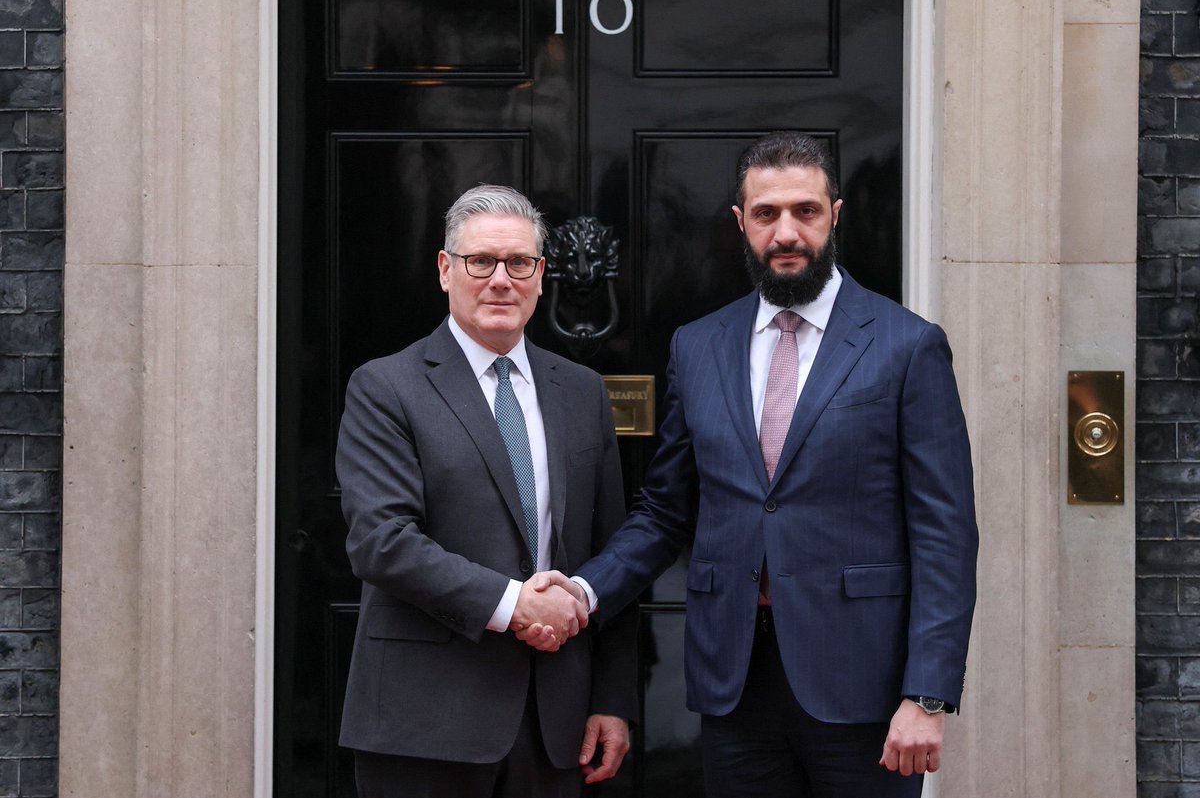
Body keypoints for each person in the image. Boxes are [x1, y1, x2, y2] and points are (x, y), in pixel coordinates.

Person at [525, 132, 979, 796]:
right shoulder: (697, 346)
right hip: (734, 682)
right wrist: (585, 591)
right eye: (767, 214)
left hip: (864, 686)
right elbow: (664, 509)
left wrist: (928, 695)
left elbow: (946, 534)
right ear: (741, 223)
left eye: (806, 211)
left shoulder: (907, 347)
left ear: (836, 215)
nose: (787, 231)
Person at [336, 184, 638, 798]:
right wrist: (512, 603)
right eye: (481, 262)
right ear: (446, 270)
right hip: (425, 720)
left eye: (519, 263)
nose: (501, 279)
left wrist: (612, 698)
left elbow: (612, 550)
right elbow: (382, 542)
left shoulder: (581, 392)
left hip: (554, 721)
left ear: (541, 274)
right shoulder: (386, 387)